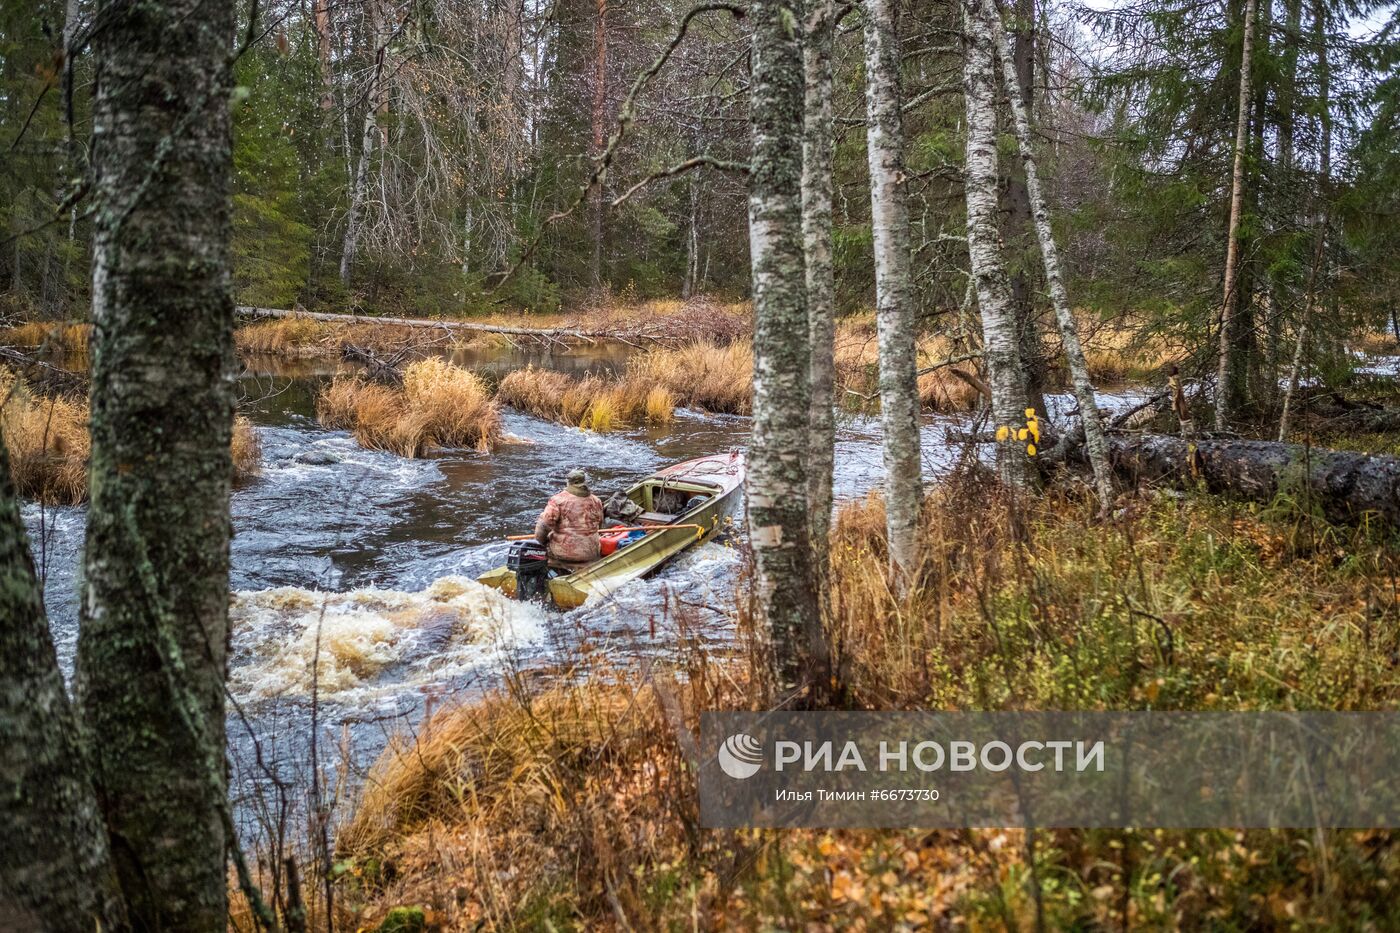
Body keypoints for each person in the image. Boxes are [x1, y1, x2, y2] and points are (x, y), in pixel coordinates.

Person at [535, 468, 604, 566]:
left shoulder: (557, 500)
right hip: (591, 552)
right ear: (584, 482)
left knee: (541, 548)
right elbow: (600, 524)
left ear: (568, 482)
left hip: (564, 553)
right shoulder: (596, 501)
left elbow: (543, 526)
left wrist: (542, 542)